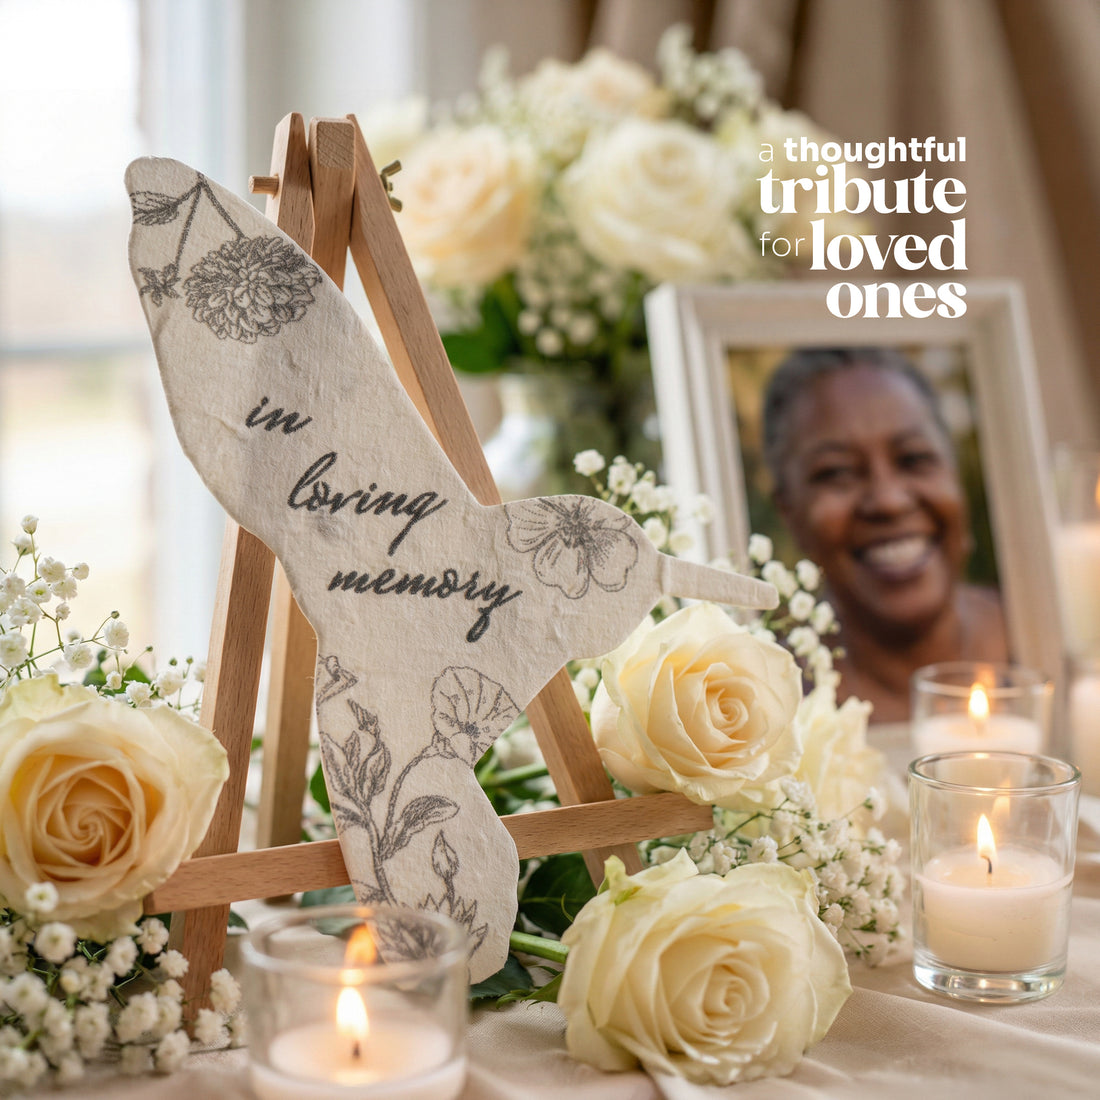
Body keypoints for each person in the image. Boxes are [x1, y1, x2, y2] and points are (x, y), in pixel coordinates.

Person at [761, 347, 1007, 723]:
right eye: (837, 472)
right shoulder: (768, 708)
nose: (888, 501)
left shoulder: (1055, 634)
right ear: (789, 512)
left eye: (914, 458)